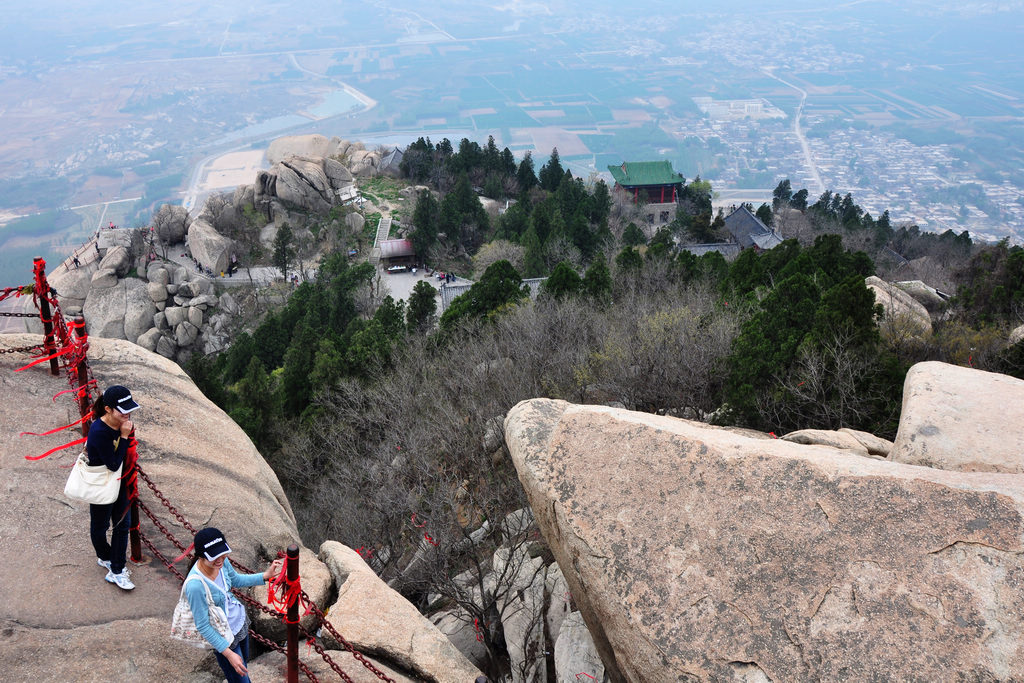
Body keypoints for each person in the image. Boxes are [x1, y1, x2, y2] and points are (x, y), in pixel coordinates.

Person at [184, 528, 284, 682]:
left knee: (243, 673)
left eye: (222, 554)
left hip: (239, 624)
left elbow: (236, 580)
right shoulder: (195, 585)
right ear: (201, 556)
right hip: (224, 638)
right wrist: (229, 654)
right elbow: (203, 626)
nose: (220, 560)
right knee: (240, 679)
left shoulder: (221, 562)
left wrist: (265, 576)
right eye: (214, 556)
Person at [86, 385, 140, 590]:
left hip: (120, 483)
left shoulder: (122, 423)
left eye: (130, 409)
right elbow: (113, 464)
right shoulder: (99, 431)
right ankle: (104, 555)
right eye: (122, 410)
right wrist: (125, 437)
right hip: (101, 483)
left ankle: (117, 570)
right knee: (100, 527)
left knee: (122, 525)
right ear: (108, 409)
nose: (128, 414)